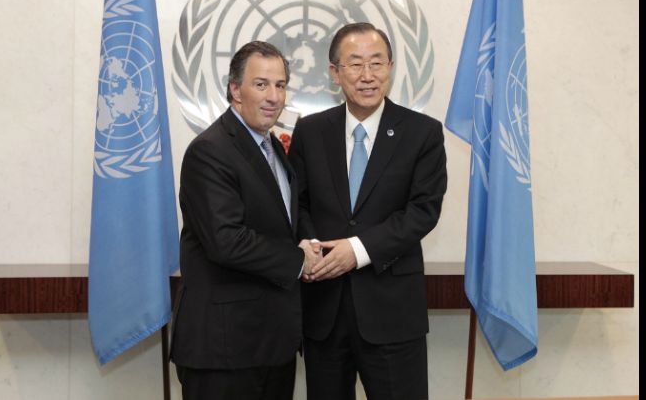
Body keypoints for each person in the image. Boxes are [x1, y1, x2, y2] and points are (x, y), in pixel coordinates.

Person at [288, 22, 447, 400]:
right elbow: (298, 203)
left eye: (377, 63)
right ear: (334, 72)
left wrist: (357, 251)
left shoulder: (422, 133)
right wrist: (314, 249)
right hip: (324, 311)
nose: (367, 76)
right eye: (355, 64)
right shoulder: (310, 131)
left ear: (391, 67)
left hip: (392, 312)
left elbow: (422, 211)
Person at [170, 41, 321, 400]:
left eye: (280, 85)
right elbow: (226, 240)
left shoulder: (273, 150)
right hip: (224, 350)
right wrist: (299, 260)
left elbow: (287, 219)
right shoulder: (211, 151)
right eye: (261, 84)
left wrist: (313, 245)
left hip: (271, 345)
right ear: (235, 89)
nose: (273, 96)